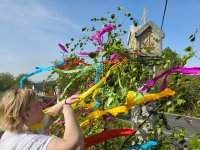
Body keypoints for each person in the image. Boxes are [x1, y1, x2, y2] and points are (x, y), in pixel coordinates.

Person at [0, 88, 84, 150]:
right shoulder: (29, 141)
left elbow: (50, 116)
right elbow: (74, 146)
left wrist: (64, 102)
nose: (41, 107)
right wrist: (68, 111)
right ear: (26, 114)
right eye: (37, 104)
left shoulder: (22, 129)